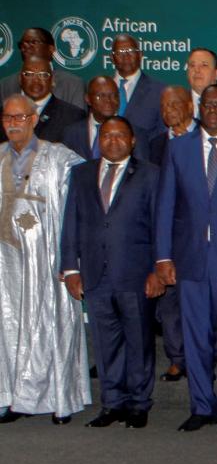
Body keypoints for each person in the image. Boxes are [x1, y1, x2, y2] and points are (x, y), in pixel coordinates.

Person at [153, 84, 217, 432]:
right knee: (195, 335)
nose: (213, 109)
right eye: (207, 104)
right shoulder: (178, 149)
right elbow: (166, 204)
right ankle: (200, 405)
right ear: (199, 109)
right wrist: (163, 257)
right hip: (190, 259)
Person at [60, 117, 163, 429]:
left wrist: (157, 269)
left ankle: (138, 403)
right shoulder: (80, 174)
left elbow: (161, 225)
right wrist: (70, 269)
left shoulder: (150, 174)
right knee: (105, 344)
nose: (113, 141)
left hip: (136, 273)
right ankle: (112, 403)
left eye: (120, 136)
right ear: (98, 140)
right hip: (94, 273)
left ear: (132, 141)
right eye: (107, 135)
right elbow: (71, 223)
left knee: (139, 341)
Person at [0, 94, 88, 424]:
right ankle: (13, 398)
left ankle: (58, 399)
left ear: (34, 120)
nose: (14, 124)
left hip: (48, 259)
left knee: (50, 325)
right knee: (8, 328)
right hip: (6, 263)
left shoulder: (58, 158)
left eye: (20, 118)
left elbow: (83, 202)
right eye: (8, 118)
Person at [147, 85, 195, 383]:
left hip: (199, 236)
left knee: (201, 301)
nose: (170, 110)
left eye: (176, 104)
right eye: (164, 106)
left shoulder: (207, 139)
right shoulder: (154, 145)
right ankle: (178, 359)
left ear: (191, 106)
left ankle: (205, 354)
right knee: (169, 303)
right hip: (166, 234)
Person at [0, 27, 86, 109]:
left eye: (34, 42)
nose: (25, 46)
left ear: (51, 49)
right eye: (22, 44)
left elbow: (77, 122)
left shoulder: (73, 85)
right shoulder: (5, 85)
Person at [108, 35, 165, 143]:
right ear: (111, 57)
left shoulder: (159, 91)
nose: (126, 56)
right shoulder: (100, 90)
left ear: (140, 54)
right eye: (120, 52)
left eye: (131, 51)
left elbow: (162, 136)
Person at [62, 76, 120, 161]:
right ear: (88, 99)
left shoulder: (132, 132)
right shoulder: (71, 133)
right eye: (101, 96)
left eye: (114, 95)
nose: (108, 100)